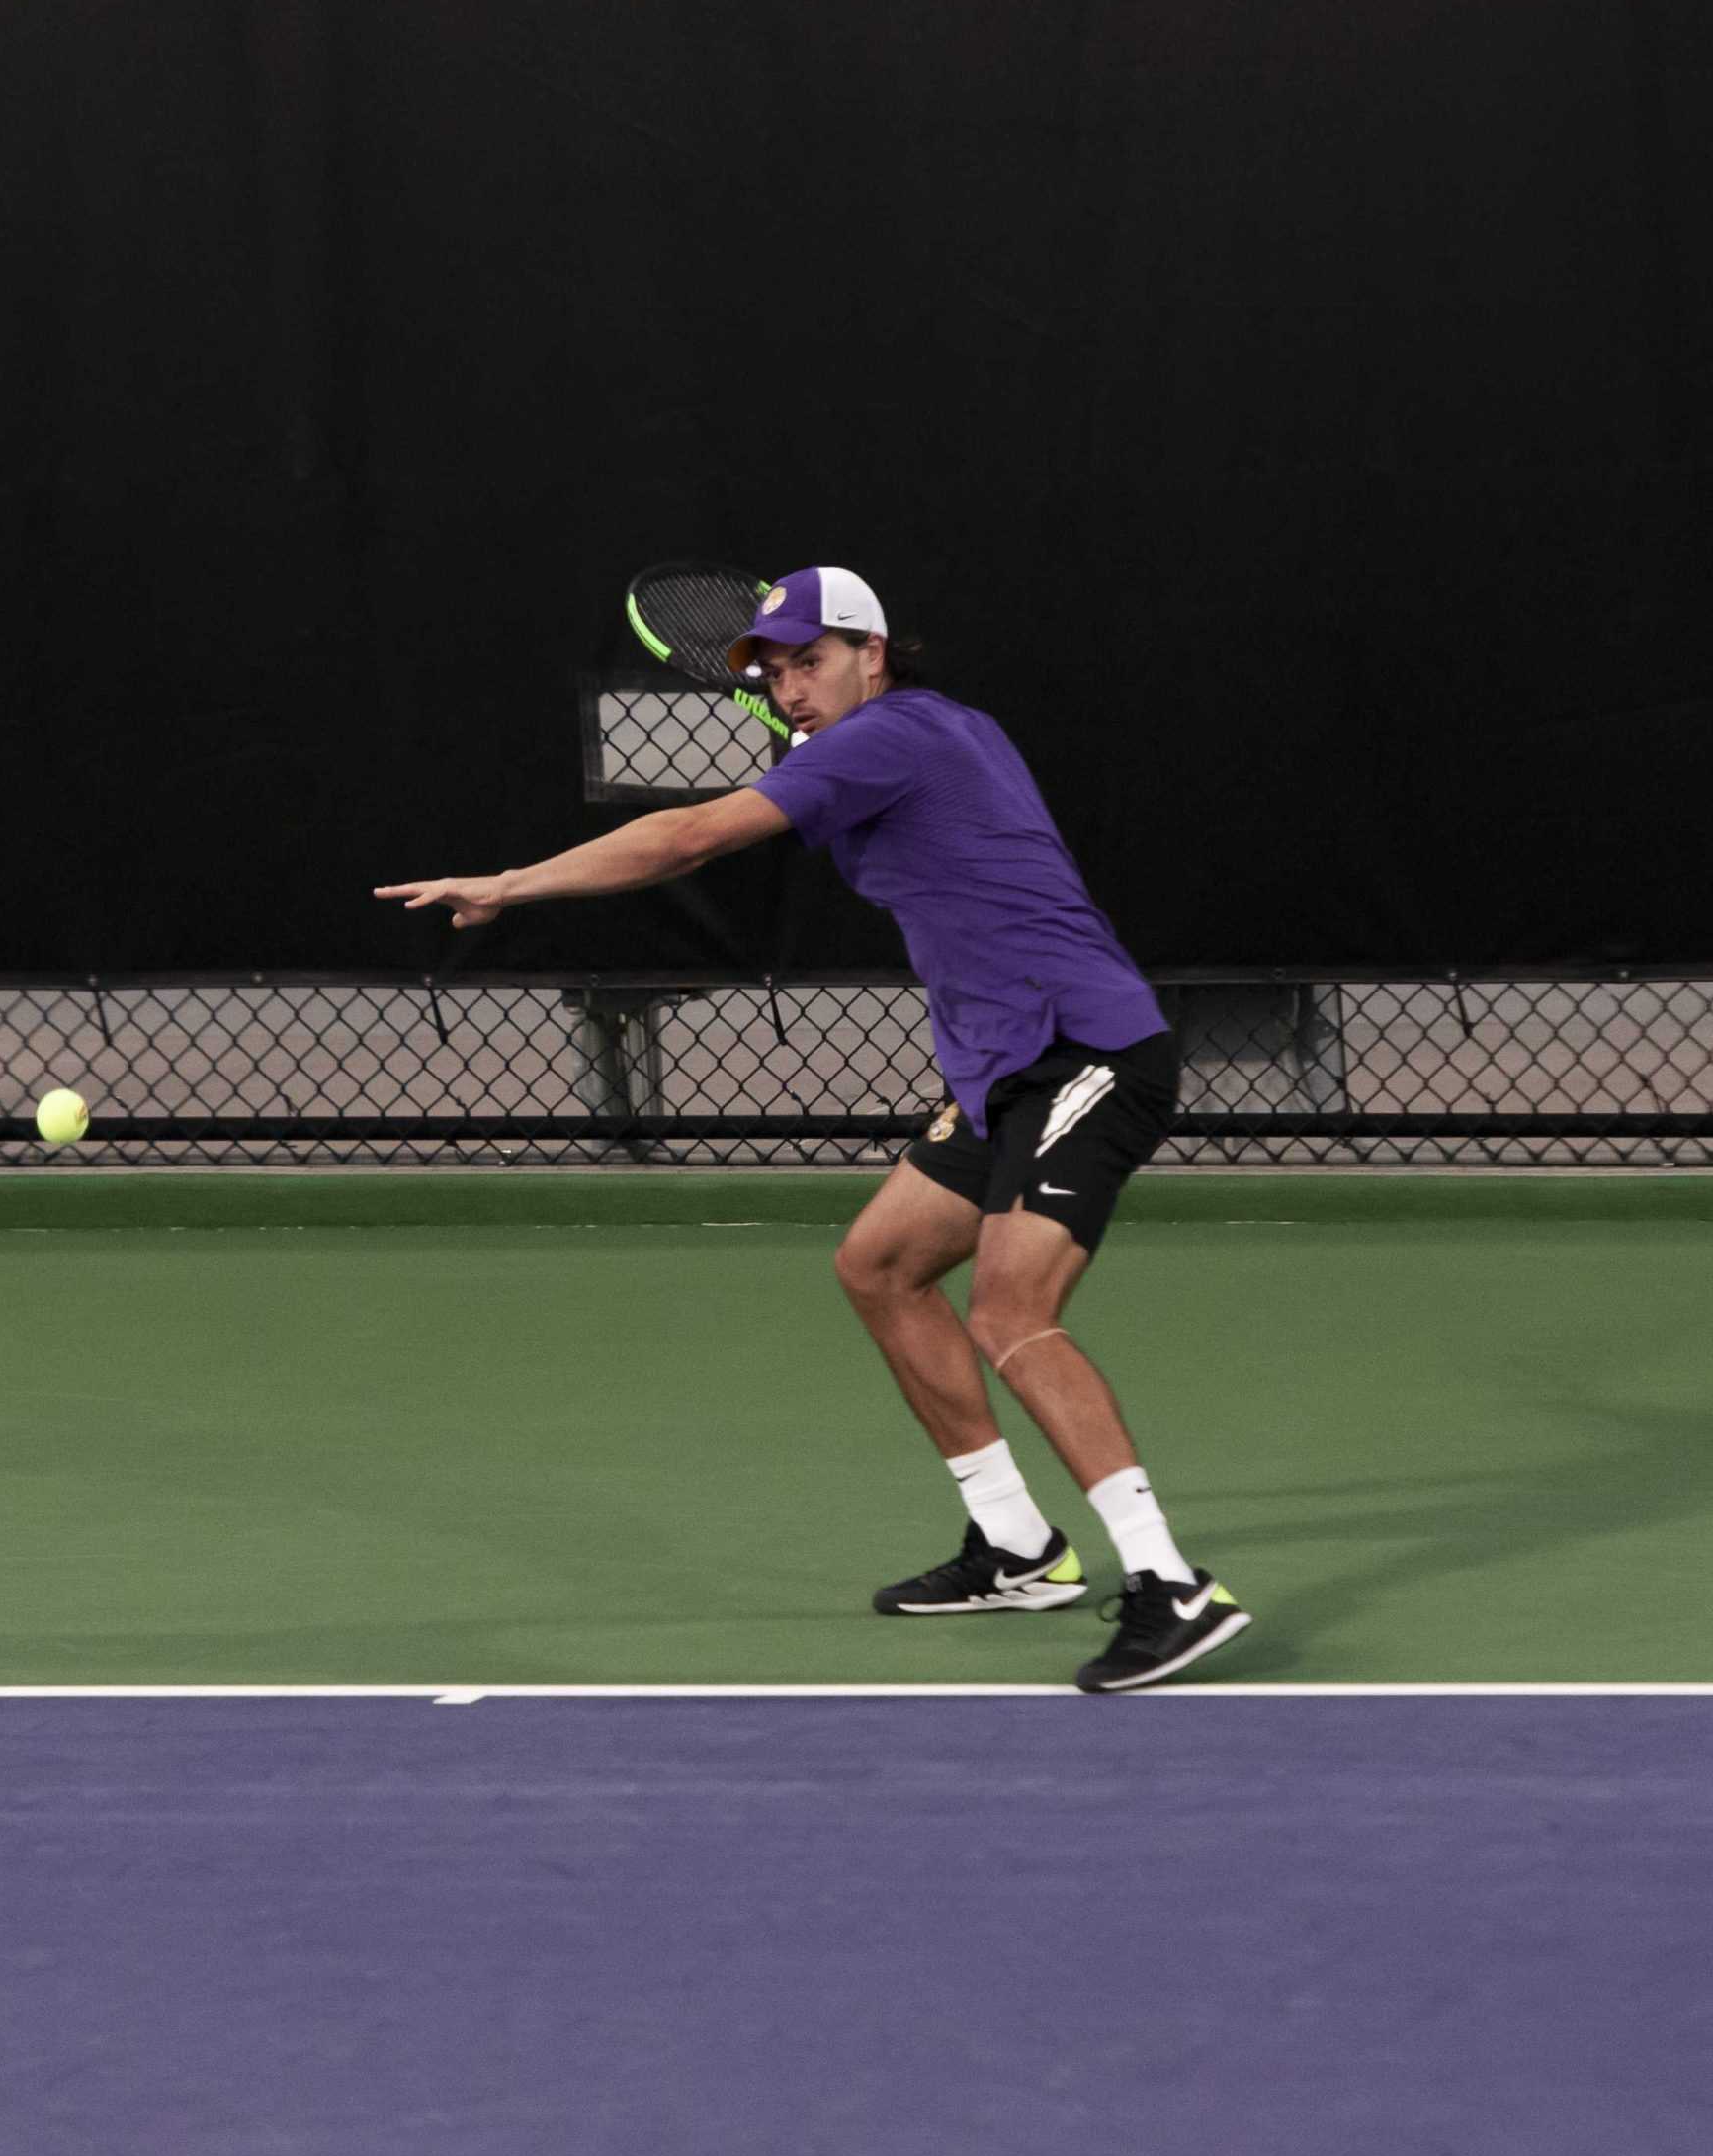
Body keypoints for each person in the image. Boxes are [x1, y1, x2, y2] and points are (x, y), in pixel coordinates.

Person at [375, 566, 1249, 1692]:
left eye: (809, 659)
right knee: (880, 1266)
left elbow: (689, 837)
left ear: (872, 654)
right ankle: (1016, 1546)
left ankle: (1168, 1582)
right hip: (1002, 1067)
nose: (789, 685)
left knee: (1009, 1308)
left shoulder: (900, 733)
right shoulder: (874, 741)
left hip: (1085, 1046)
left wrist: (513, 882)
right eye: (772, 670)